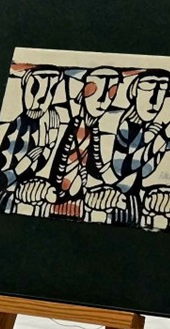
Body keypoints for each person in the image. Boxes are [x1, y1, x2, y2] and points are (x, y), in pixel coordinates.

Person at [111, 69, 170, 226]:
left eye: (162, 89)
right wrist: (166, 134)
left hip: (135, 201)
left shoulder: (144, 129)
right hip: (122, 200)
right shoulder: (127, 126)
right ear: (135, 90)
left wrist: (158, 141)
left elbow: (145, 171)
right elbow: (122, 168)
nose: (154, 99)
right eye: (148, 86)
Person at [49, 67, 121, 219]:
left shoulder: (97, 129)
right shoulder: (65, 120)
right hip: (54, 197)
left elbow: (96, 168)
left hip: (79, 201)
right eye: (94, 89)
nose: (102, 99)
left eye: (111, 92)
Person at [0, 65, 62, 214]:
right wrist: (19, 168)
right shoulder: (17, 126)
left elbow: (37, 165)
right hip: (7, 199)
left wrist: (49, 145)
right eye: (35, 89)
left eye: (51, 91)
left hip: (26, 197)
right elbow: (2, 180)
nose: (42, 98)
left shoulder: (41, 125)